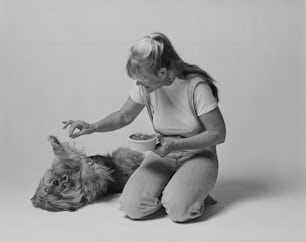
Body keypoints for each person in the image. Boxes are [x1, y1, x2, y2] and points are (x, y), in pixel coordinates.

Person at [62, 32, 226, 223]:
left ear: (162, 73)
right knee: (131, 207)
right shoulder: (146, 86)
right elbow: (124, 115)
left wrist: (176, 145)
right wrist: (93, 126)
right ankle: (177, 190)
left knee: (179, 210)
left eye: (143, 79)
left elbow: (218, 134)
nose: (139, 83)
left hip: (199, 153)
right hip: (164, 152)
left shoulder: (196, 87)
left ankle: (188, 195)